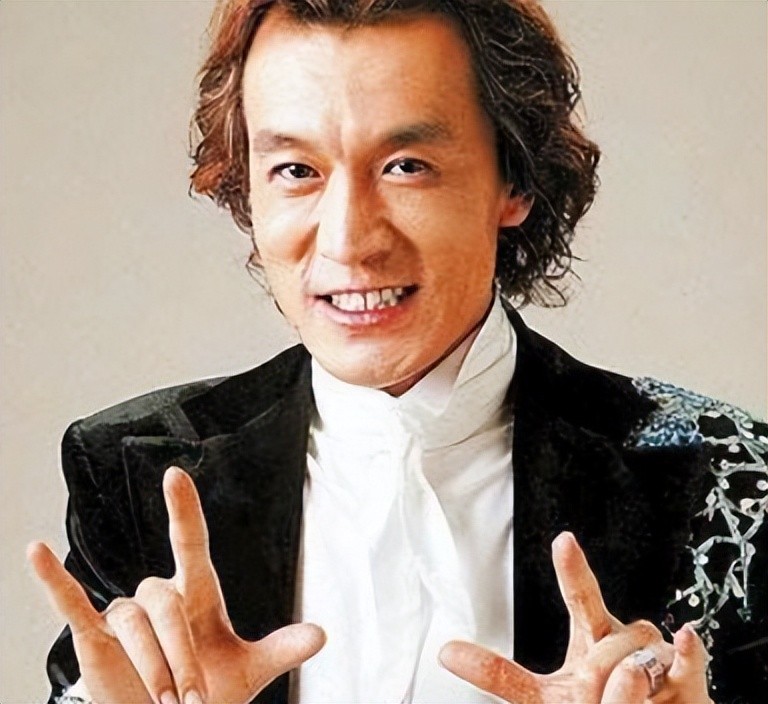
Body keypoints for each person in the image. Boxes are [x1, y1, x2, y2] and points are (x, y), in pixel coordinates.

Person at [28, 1, 766, 703]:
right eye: (296, 171)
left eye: (405, 165)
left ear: (514, 180)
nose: (349, 239)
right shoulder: (131, 471)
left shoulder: (727, 475)